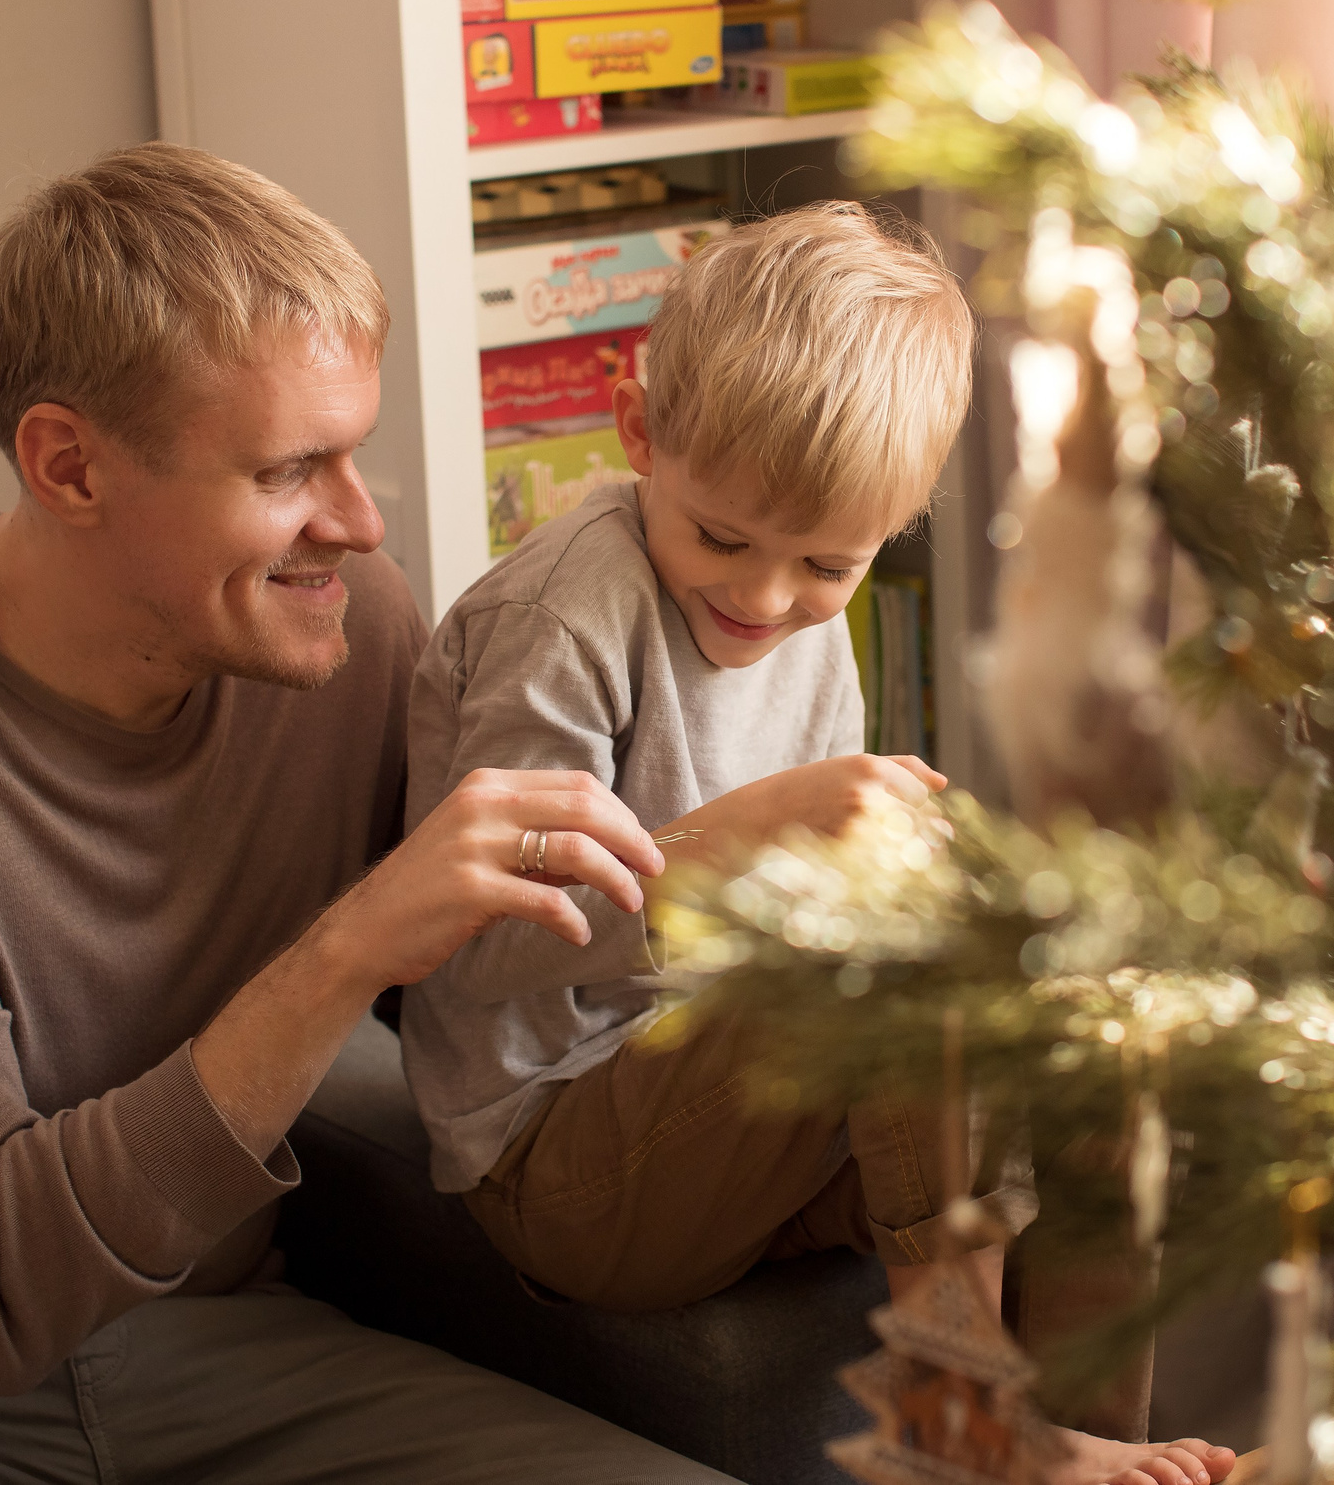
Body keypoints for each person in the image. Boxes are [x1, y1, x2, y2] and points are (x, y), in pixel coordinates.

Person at [0, 143, 718, 1484]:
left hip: (218, 1342)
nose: (360, 524)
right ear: (70, 466)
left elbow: (508, 982)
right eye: (287, 470)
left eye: (353, 452)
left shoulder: (349, 633)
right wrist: (349, 945)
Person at [397, 202, 1236, 1485]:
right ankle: (959, 1421)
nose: (765, 597)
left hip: (754, 1129)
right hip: (562, 1158)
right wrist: (743, 840)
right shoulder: (561, 620)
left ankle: (1080, 1446)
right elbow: (484, 939)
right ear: (641, 434)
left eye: (826, 568)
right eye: (722, 537)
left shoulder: (794, 616)